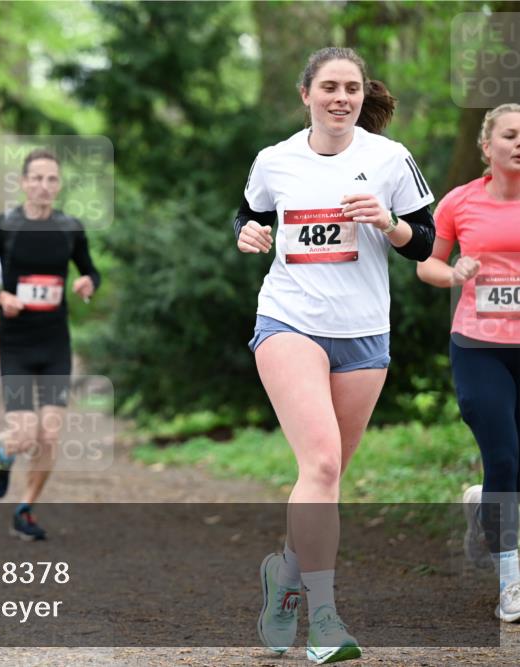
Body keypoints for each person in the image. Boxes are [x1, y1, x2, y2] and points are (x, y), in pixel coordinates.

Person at [236, 47, 435, 663]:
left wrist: (390, 224)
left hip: (364, 332)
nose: (341, 97)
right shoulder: (275, 160)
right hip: (290, 320)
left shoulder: (389, 158)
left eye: (350, 87)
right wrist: (247, 233)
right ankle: (323, 618)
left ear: (360, 95)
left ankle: (284, 577)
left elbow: (424, 241)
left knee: (326, 477)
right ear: (307, 95)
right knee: (321, 465)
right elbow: (250, 212)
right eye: (329, 87)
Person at [416, 103, 520, 622]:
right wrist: (455, 271)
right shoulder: (460, 202)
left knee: (513, 465)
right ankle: (511, 579)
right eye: (510, 134)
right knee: (504, 457)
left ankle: (485, 503)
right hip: (479, 345)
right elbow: (427, 265)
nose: (519, 143)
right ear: (488, 147)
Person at [0, 148, 100, 541]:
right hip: (17, 343)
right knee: (24, 434)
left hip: (55, 341)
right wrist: (0, 298)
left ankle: (24, 509)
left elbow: (90, 270)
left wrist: (88, 283)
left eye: (51, 179)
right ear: (24, 183)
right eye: (37, 178)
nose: (44, 186)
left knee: (50, 434)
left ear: (58, 186)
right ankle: (5, 454)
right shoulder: (3, 226)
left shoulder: (69, 228)